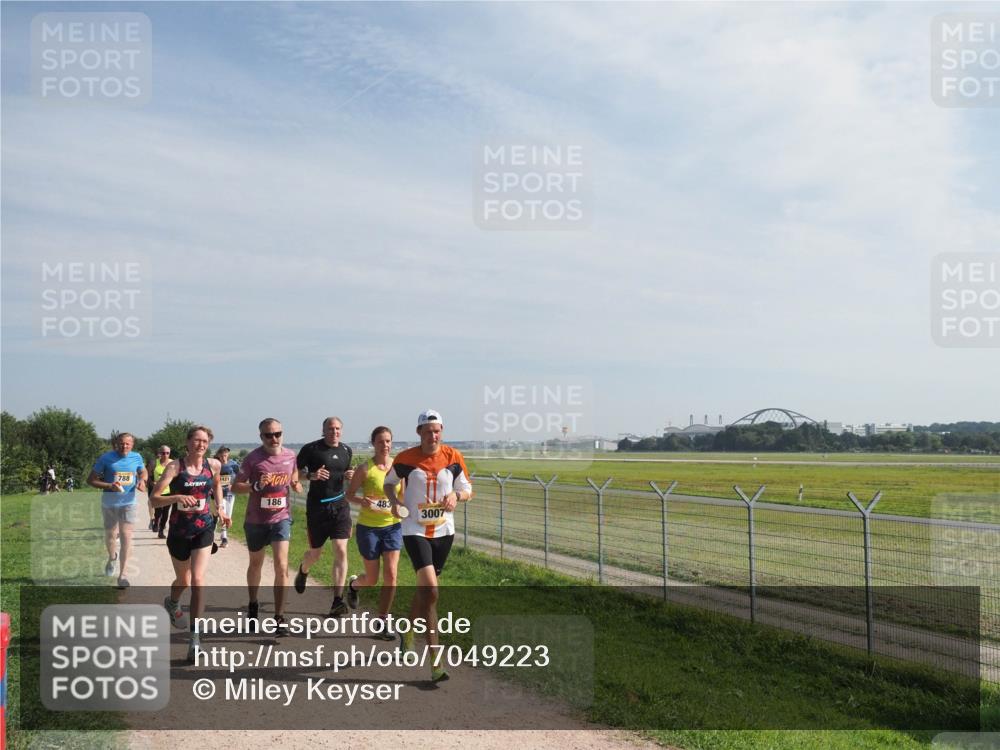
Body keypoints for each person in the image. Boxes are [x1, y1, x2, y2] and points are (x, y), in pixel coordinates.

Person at [383, 410, 472, 682]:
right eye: (428, 430)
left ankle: (408, 633)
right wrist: (397, 503)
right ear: (419, 432)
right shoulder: (406, 458)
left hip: (444, 531)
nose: (433, 435)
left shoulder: (454, 457)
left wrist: (457, 495)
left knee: (426, 591)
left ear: (442, 431)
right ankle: (436, 662)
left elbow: (468, 489)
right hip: (414, 530)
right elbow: (389, 484)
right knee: (432, 590)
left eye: (437, 430)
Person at [151, 425, 229, 661]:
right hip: (178, 531)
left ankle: (195, 640)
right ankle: (172, 601)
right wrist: (176, 497)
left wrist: (221, 509)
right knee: (183, 580)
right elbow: (154, 500)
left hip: (203, 528)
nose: (201, 445)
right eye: (197, 440)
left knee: (198, 579)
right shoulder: (175, 467)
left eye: (205, 441)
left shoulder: (213, 465)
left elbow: (216, 485)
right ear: (187, 442)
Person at [234, 418, 301, 629]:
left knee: (282, 566)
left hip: (281, 518)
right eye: (268, 435)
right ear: (261, 436)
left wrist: (297, 484)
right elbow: (236, 486)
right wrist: (254, 486)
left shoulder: (291, 456)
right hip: (256, 520)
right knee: (256, 564)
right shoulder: (253, 459)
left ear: (282, 433)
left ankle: (280, 617)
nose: (274, 438)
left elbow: (294, 477)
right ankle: (253, 603)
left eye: (277, 434)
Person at [292, 417, 355, 617]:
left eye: (337, 429)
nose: (334, 432)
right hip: (317, 508)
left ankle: (337, 600)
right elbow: (294, 474)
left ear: (341, 431)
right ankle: (303, 570)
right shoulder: (311, 450)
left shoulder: (346, 450)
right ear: (323, 430)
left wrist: (349, 475)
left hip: (340, 506)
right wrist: (311, 476)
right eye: (330, 428)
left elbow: (343, 473)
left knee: (341, 550)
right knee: (315, 554)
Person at [343, 426, 401, 639]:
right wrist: (362, 500)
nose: (384, 445)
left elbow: (402, 496)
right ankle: (354, 585)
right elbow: (349, 495)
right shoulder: (365, 469)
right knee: (372, 579)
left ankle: (383, 621)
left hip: (393, 526)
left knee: (392, 575)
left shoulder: (398, 467)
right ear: (373, 444)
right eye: (380, 442)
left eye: (388, 441)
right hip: (369, 529)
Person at [87, 433, 148, 589]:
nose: (124, 446)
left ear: (132, 445)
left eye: (128, 444)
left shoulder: (137, 457)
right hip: (109, 503)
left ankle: (123, 575)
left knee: (127, 535)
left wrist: (142, 480)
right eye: (121, 443)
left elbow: (143, 471)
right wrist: (109, 486)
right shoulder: (105, 458)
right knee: (110, 535)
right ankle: (112, 557)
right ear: (116, 444)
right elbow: (91, 480)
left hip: (129, 502)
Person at [215, 447, 240, 548]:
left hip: (230, 493)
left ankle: (223, 533)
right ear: (218, 455)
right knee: (223, 512)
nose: (224, 457)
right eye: (221, 455)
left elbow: (240, 476)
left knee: (228, 514)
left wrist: (233, 484)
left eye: (225, 455)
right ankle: (225, 538)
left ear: (228, 455)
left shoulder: (233, 464)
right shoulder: (216, 465)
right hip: (220, 494)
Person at [150, 445, 173, 538]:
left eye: (167, 453)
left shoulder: (172, 463)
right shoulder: (154, 463)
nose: (165, 455)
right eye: (163, 453)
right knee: (158, 511)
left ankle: (161, 530)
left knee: (166, 512)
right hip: (157, 492)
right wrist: (152, 483)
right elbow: (149, 477)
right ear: (160, 453)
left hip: (169, 491)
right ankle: (156, 522)